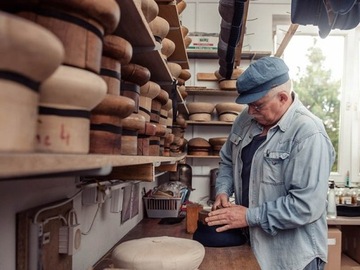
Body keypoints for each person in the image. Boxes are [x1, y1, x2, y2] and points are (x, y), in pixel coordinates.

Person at [205, 56, 335, 270]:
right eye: (248, 105)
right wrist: (222, 190)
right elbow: (228, 159)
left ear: (283, 98)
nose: (251, 112)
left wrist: (248, 216)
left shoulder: (309, 134)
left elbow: (305, 206)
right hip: (253, 248)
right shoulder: (246, 119)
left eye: (258, 105)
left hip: (292, 258)